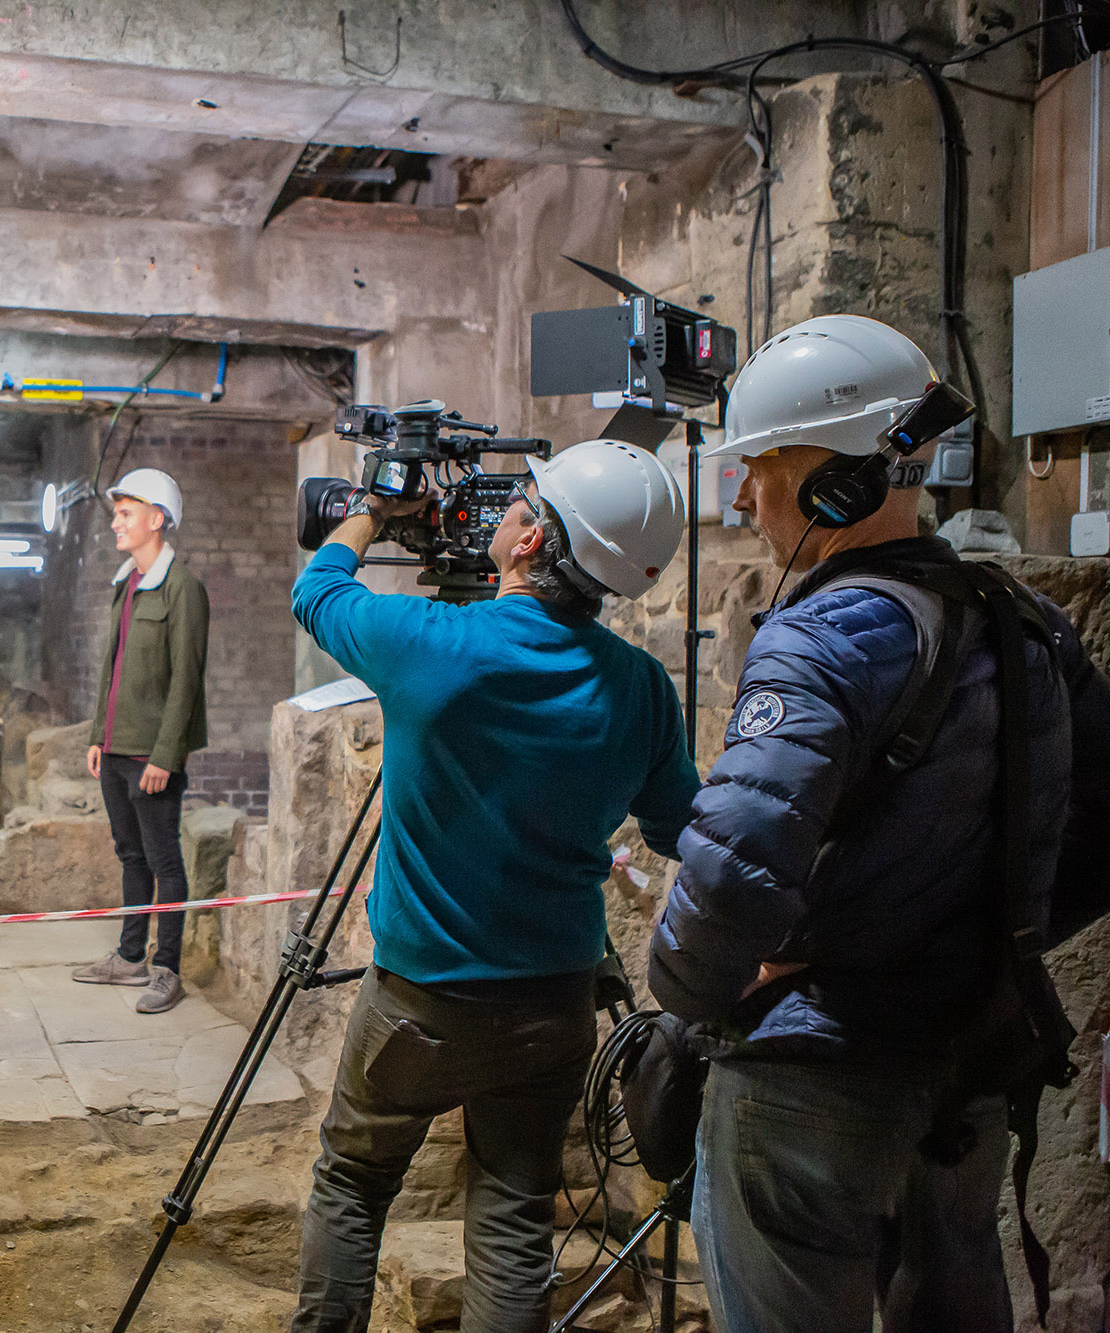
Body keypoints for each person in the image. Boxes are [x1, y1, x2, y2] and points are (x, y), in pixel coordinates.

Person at [648, 314, 1109, 1333]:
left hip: (815, 1074)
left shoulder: (816, 640)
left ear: (836, 486)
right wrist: (1002, 940)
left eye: (758, 466)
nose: (739, 493)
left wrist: (694, 996)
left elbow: (725, 874)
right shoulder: (1029, 625)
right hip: (969, 1055)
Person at [287, 440, 699, 1333]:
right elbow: (680, 829)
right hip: (550, 1008)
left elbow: (316, 592)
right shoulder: (641, 688)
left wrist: (374, 510)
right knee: (514, 1215)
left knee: (354, 1182)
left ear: (525, 543)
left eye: (522, 503)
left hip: (418, 1002)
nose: (505, 511)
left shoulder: (435, 645)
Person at [69, 468, 209, 1015]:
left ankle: (166, 968)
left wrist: (166, 756)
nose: (115, 522)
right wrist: (97, 736)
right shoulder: (126, 584)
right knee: (131, 855)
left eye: (125, 513)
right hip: (116, 749)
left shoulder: (183, 588)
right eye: (116, 513)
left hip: (152, 756)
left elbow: (185, 681)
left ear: (157, 519)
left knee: (164, 860)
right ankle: (130, 958)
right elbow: (112, 667)